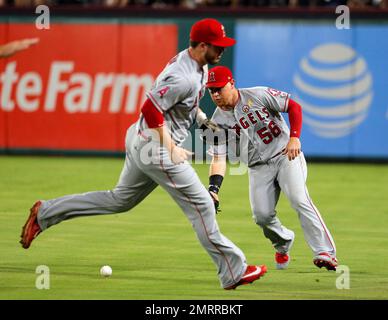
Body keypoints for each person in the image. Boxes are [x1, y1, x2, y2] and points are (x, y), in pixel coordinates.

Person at [20, 19, 267, 290]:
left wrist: (201, 119)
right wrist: (170, 147)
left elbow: (181, 104)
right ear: (203, 45)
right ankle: (233, 270)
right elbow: (150, 108)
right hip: (156, 148)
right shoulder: (183, 75)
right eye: (217, 46)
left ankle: (45, 213)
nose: (222, 50)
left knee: (119, 200)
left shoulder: (197, 64)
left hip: (139, 140)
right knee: (202, 206)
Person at [206, 66, 338, 271]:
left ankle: (325, 252)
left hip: (286, 155)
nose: (215, 94)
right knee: (262, 216)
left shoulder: (257, 95)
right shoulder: (215, 123)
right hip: (258, 168)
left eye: (218, 88)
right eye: (211, 90)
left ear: (231, 83)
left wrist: (294, 136)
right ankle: (283, 243)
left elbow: (294, 107)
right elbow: (218, 158)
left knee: (299, 199)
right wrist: (213, 189)